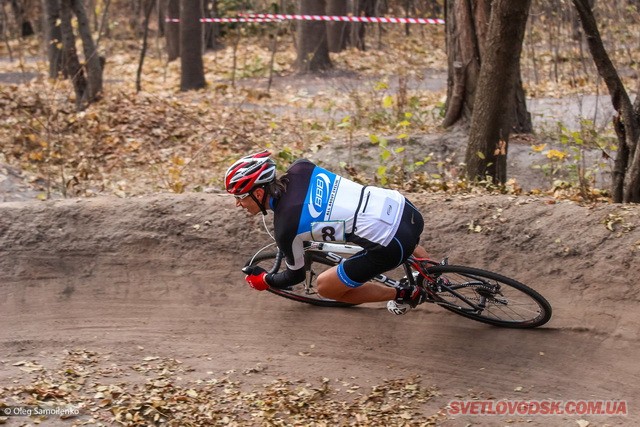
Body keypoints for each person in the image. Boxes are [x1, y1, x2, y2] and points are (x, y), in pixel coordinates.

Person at [225, 150, 430, 315]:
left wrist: (265, 281)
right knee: (371, 226)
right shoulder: (301, 167)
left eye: (240, 197)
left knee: (326, 287)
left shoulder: (286, 227)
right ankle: (433, 274)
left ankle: (405, 294)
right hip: (403, 207)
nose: (237, 204)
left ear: (259, 193)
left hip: (393, 242)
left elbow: (294, 277)